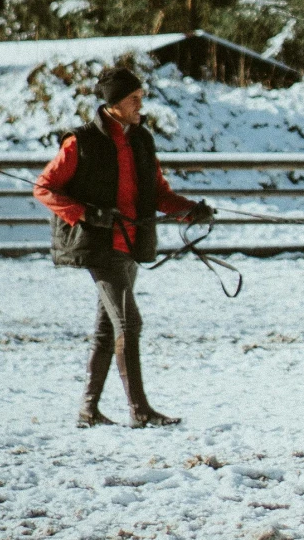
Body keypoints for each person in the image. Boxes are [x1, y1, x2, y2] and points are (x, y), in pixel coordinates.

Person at [34, 61, 213, 428]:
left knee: (107, 328)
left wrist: (190, 211)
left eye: (141, 97)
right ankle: (140, 410)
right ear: (114, 103)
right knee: (129, 323)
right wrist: (85, 213)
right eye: (134, 98)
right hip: (99, 246)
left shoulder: (141, 140)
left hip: (131, 244)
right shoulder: (79, 141)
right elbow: (44, 188)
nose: (140, 104)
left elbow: (159, 193)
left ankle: (89, 410)